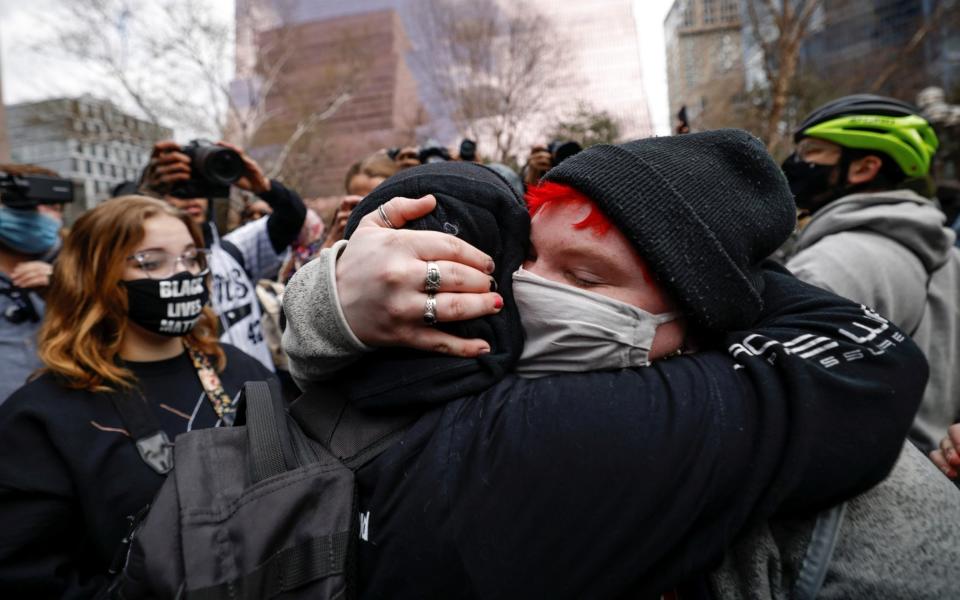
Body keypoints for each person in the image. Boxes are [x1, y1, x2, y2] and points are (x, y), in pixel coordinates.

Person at [274, 132, 926, 597]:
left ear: (694, 332)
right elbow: (865, 355)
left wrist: (325, 302)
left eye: (585, 278)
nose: (528, 288)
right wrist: (329, 298)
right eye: (527, 258)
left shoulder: (552, 431)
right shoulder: (462, 376)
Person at [0, 196, 277, 598]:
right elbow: (27, 576)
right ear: (95, 276)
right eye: (150, 262)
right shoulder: (41, 417)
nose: (181, 274)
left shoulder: (242, 370)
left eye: (191, 258)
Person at [780, 94, 960, 457]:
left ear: (863, 168)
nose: (795, 164)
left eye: (812, 151)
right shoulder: (951, 257)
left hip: (864, 498)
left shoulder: (829, 264)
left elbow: (773, 400)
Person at [141, 140, 307, 372]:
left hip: (261, 391)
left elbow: (292, 217)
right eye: (180, 189)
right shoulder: (147, 267)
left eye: (200, 187)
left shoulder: (234, 250)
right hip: (205, 394)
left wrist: (264, 187)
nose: (191, 198)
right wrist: (145, 193)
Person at [0, 163, 66, 403]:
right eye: (25, 203)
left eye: (53, 205)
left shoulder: (81, 266)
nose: (42, 213)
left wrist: (64, 290)